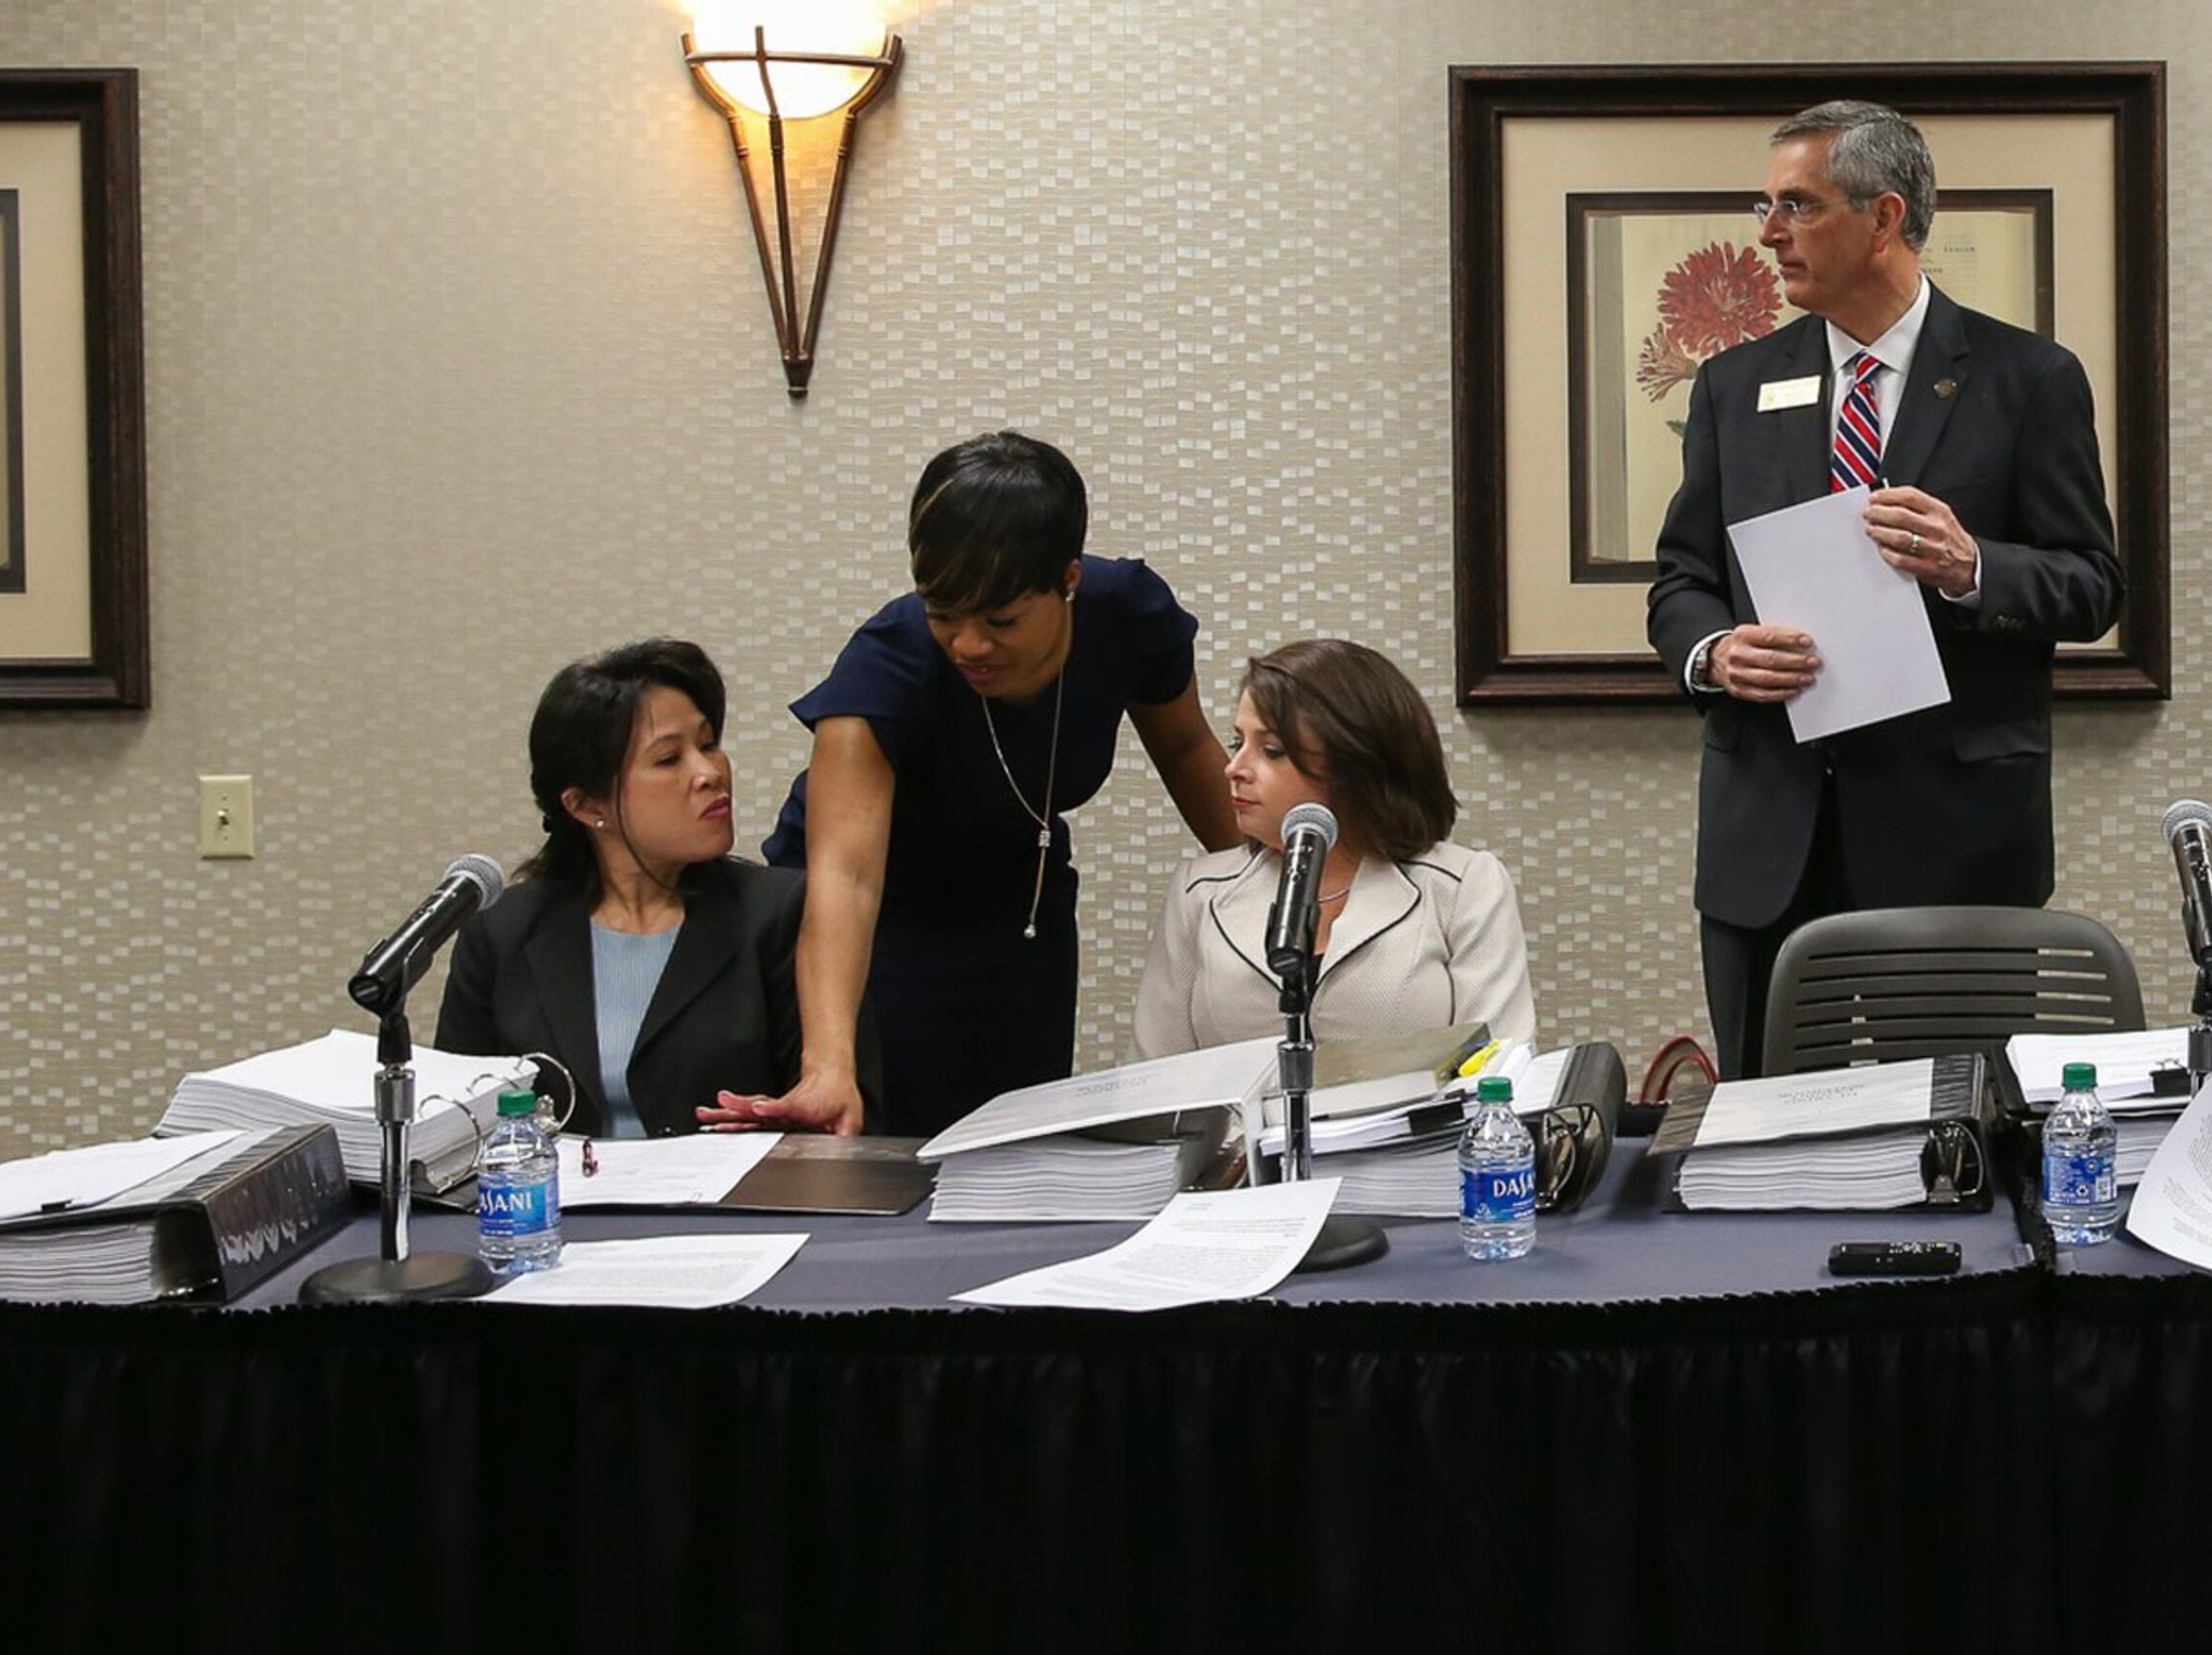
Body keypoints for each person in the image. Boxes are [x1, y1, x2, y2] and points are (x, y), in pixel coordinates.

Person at [1647, 100, 2124, 1076]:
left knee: (1961, 1140)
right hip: (1768, 840)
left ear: (1884, 219)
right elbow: (1682, 580)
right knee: (1768, 1146)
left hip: (1953, 837)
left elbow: (2092, 585)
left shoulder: (2026, 379)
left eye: (1798, 206)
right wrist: (1713, 651)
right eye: (1767, 205)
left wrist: (1973, 567)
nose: (1768, 233)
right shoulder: (1736, 387)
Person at [740, 433, 1243, 1139]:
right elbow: (844, 878)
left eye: (1000, 620)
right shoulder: (888, 667)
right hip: (879, 922)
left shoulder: (1128, 615)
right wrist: (828, 1065)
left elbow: (1188, 746)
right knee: (893, 1140)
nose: (969, 645)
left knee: (1017, 1137)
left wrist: (1264, 883)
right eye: (943, 613)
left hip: (1021, 900)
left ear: (1067, 579)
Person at [437, 641, 876, 1135]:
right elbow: (453, 1130)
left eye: (708, 744)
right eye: (669, 759)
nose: (710, 773)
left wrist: (777, 1133)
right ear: (586, 806)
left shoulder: (783, 914)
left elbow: (847, 1118)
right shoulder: (502, 933)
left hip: (737, 1208)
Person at [1133, 639, 1534, 1060]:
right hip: (1238, 1129)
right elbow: (1152, 1088)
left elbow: (1502, 1077)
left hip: (1420, 1127)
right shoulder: (1198, 892)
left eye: (1271, 751)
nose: (1234, 769)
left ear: (1355, 762)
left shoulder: (1463, 887)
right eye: (1238, 745)